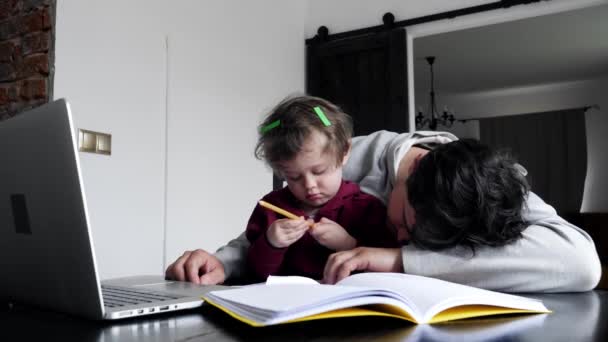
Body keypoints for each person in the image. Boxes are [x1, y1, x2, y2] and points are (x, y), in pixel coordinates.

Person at [165, 99, 602, 292]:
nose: (404, 237)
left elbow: (579, 263)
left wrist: (396, 259)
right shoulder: (338, 160)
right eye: (406, 226)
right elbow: (279, 215)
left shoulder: (486, 183)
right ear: (412, 174)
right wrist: (225, 260)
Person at [243, 96, 397, 281]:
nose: (309, 185)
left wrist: (348, 244)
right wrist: (271, 244)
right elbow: (254, 273)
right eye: (294, 177)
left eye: (319, 171)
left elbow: (385, 269)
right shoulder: (271, 208)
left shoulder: (366, 208)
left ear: (344, 153)